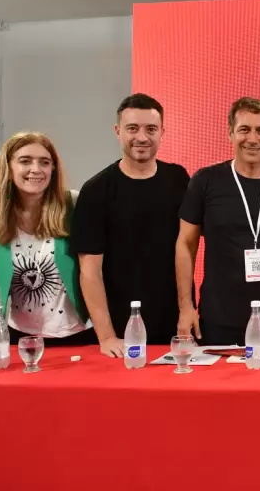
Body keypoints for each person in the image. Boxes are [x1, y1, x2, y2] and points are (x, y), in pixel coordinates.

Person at [70, 94, 190, 356]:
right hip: (120, 331)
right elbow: (89, 271)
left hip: (174, 325)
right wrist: (106, 336)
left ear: (162, 132)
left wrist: (188, 310)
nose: (142, 137)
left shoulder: (179, 179)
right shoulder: (96, 191)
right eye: (133, 128)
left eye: (151, 129)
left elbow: (188, 249)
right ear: (118, 131)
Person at [176, 97, 260, 345]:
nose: (252, 139)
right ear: (230, 134)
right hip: (219, 317)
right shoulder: (205, 181)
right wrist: (186, 307)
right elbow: (185, 245)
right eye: (244, 129)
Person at [0, 132, 94, 346]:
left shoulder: (74, 204)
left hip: (78, 334)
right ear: (8, 167)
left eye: (44, 162)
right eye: (25, 161)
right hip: (19, 336)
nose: (36, 169)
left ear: (53, 169)